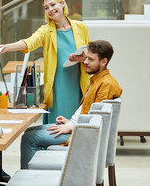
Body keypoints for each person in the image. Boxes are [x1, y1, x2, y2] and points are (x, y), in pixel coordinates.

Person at [20, 40, 122, 169]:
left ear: (103, 61)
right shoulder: (97, 80)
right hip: (76, 126)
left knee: (30, 139)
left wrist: (71, 127)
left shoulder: (107, 84)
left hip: (81, 131)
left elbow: (98, 120)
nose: (85, 62)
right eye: (86, 58)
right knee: (29, 131)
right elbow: (90, 112)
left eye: (91, 59)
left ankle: (28, 180)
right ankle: (38, 175)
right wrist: (69, 121)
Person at [0, 0, 90, 124]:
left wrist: (82, 58)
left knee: (77, 121)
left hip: (79, 81)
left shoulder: (81, 27)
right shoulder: (46, 31)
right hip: (58, 82)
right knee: (58, 122)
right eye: (46, 8)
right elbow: (29, 42)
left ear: (62, 4)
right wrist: (7, 47)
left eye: (52, 5)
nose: (50, 9)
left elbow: (90, 54)